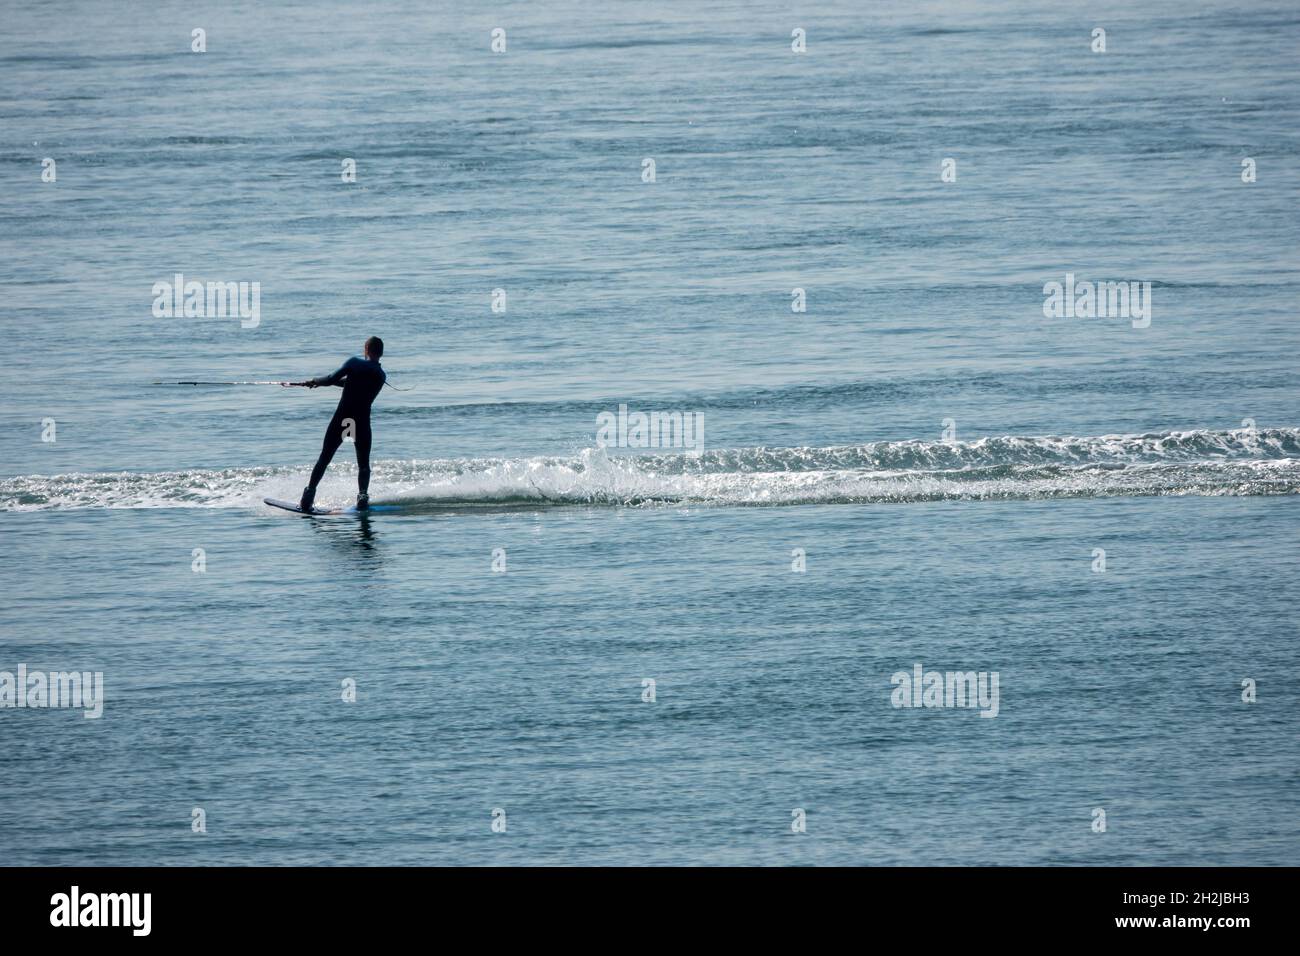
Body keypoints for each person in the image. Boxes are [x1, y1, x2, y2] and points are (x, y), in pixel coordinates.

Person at [295, 337, 386, 512]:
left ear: (366, 348)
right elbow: (350, 383)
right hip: (361, 422)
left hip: (343, 419)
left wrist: (315, 381)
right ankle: (362, 497)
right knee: (364, 464)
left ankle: (307, 498)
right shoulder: (381, 375)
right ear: (381, 353)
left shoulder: (354, 363)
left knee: (325, 458)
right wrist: (320, 383)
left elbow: (331, 378)